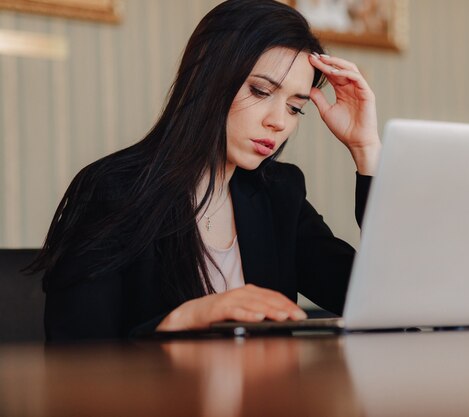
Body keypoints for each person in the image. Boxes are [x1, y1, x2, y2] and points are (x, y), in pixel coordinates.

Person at [30, 0, 381, 341]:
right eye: (260, 91)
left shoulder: (279, 193)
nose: (278, 122)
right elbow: (76, 355)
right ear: (207, 78)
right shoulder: (112, 190)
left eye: (294, 108)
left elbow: (376, 299)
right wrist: (183, 319)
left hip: (271, 400)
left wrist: (366, 151)